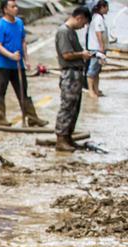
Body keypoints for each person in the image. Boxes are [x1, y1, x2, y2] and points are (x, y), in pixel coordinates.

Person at [0, 0, 47, 127]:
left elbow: (23, 42)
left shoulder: (19, 23)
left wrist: (26, 59)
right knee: (0, 93)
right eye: (13, 6)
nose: (16, 8)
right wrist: (10, 55)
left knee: (23, 92)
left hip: (18, 65)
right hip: (3, 65)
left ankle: (32, 117)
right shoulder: (0, 26)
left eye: (16, 6)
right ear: (5, 9)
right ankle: (1, 118)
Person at [54, 6, 93, 152]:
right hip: (69, 74)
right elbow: (66, 55)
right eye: (83, 24)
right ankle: (61, 138)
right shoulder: (64, 32)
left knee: (74, 107)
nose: (82, 27)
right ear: (79, 18)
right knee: (67, 106)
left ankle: (68, 137)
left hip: (76, 74)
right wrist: (82, 54)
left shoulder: (71, 32)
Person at [85, 0, 109, 98]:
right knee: (92, 70)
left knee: (97, 71)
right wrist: (101, 47)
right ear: (102, 7)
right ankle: (91, 90)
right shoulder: (98, 18)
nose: (108, 10)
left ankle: (96, 89)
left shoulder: (97, 17)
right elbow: (98, 33)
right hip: (96, 48)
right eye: (107, 7)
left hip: (97, 48)